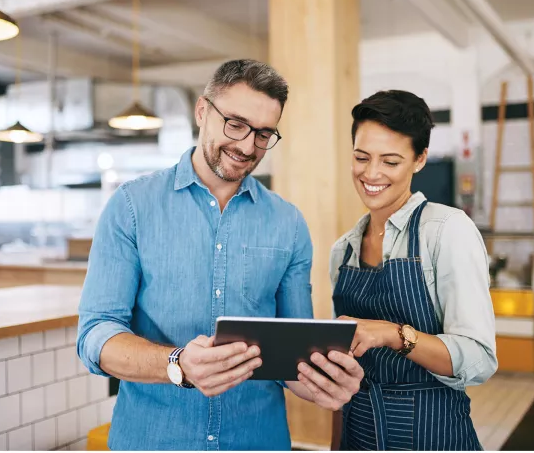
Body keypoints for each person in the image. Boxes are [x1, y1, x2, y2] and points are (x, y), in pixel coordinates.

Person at [77, 59, 363, 451]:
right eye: (236, 124)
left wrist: (323, 386)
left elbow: (292, 356)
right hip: (152, 439)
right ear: (201, 111)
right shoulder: (131, 206)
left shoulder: (289, 224)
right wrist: (176, 364)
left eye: (264, 134)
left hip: (257, 440)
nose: (247, 146)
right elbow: (96, 336)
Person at [329, 90, 497, 450]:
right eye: (361, 157)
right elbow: (340, 368)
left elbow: (479, 359)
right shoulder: (342, 250)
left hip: (432, 433)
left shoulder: (447, 230)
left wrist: (392, 333)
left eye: (390, 161)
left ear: (419, 160)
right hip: (356, 433)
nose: (371, 173)